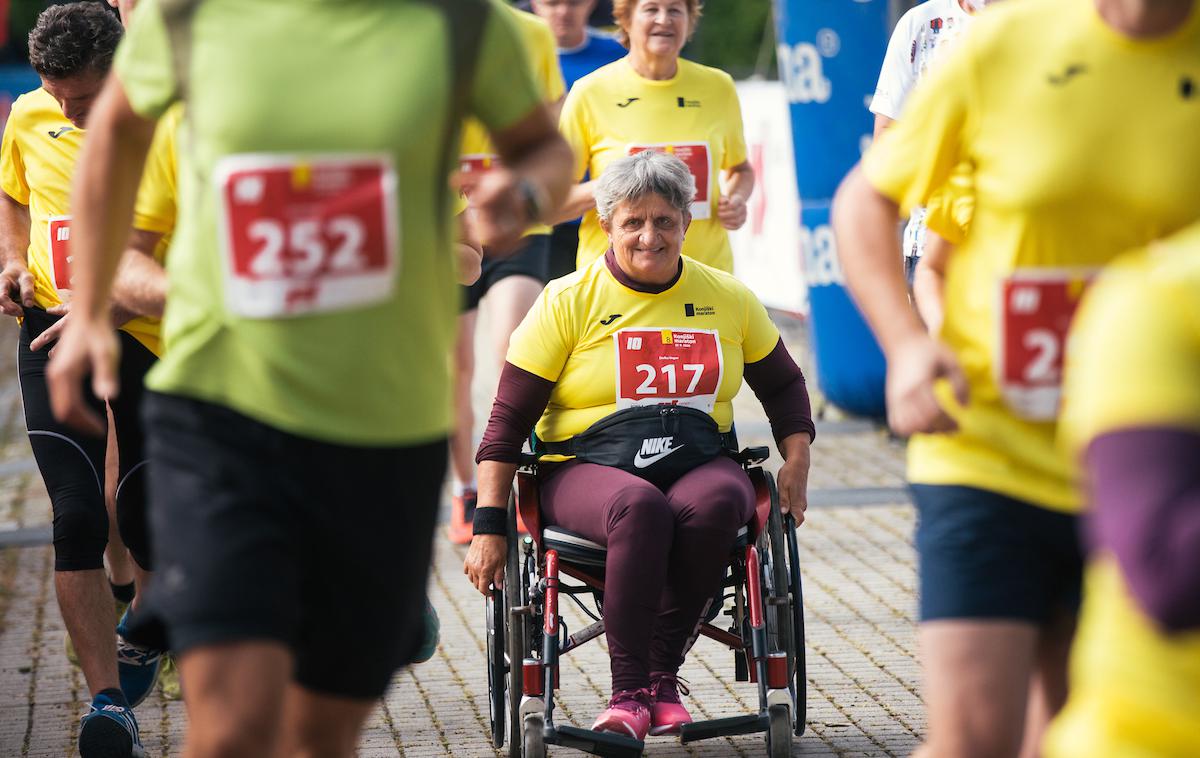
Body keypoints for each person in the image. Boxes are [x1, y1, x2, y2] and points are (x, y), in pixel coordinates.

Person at [47, 1, 573, 756]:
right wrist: (93, 304)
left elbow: (546, 151)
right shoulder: (190, 17)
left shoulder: (461, 23)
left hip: (385, 423)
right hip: (220, 411)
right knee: (231, 724)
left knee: (321, 734)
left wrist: (520, 196)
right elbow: (115, 139)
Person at [831, 0, 1200, 754]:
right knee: (972, 739)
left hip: (1153, 462)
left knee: (1077, 734)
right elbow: (866, 200)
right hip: (989, 445)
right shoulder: (1007, 43)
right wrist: (905, 345)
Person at [464, 150, 814, 740]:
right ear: (608, 225)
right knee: (640, 509)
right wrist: (488, 524)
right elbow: (506, 420)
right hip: (587, 464)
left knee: (715, 505)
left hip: (699, 454)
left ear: (684, 222)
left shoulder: (726, 296)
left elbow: (782, 384)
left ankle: (659, 680)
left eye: (664, 221)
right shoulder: (566, 300)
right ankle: (628, 693)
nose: (649, 236)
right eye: (633, 222)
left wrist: (797, 460)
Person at [0, 3, 177, 754]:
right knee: (75, 514)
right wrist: (12, 262)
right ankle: (107, 705)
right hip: (50, 333)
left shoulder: (167, 122)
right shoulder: (29, 116)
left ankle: (154, 626)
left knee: (141, 514)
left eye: (87, 100)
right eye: (58, 98)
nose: (70, 114)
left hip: (144, 338)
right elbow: (13, 198)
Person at [1040, 225, 1200, 757]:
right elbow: (1167, 577)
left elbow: (788, 385)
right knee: (970, 736)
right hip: (1155, 737)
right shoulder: (1159, 301)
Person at [448, 3, 567, 544]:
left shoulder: (523, 34)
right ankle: (465, 490)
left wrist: (525, 191)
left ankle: (515, 479)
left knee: (511, 349)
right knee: (457, 366)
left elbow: (553, 145)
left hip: (515, 221)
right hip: (443, 220)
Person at [554, 0, 754, 274]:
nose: (664, 19)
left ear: (689, 20)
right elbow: (553, 205)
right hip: (615, 286)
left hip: (705, 278)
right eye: (651, 9)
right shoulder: (590, 92)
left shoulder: (719, 87)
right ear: (626, 19)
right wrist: (618, 186)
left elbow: (740, 169)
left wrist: (737, 199)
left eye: (675, 10)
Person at [870, 0, 987, 286]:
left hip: (1025, 249)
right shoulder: (920, 24)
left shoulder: (1046, 21)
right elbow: (886, 139)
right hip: (932, 248)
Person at [530, 0, 626, 281]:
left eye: (573, 3)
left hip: (600, 213)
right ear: (535, 4)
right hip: (534, 210)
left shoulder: (619, 54)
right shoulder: (515, 53)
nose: (563, 11)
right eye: (552, 3)